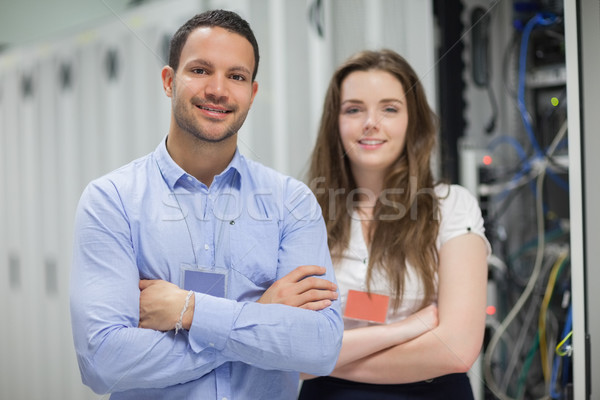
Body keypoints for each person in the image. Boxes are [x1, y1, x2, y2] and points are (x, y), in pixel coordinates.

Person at [69, 9, 343, 400]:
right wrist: (261, 317)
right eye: (200, 70)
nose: (218, 89)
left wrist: (190, 310)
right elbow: (103, 361)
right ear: (169, 81)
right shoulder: (112, 201)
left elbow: (319, 348)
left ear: (252, 92)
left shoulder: (291, 203)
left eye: (236, 76)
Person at [298, 49, 491, 399]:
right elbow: (288, 350)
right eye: (354, 109)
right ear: (335, 123)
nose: (371, 122)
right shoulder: (303, 213)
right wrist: (405, 330)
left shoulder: (452, 206)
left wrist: (323, 358)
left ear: (412, 121)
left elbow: (457, 349)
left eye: (389, 108)